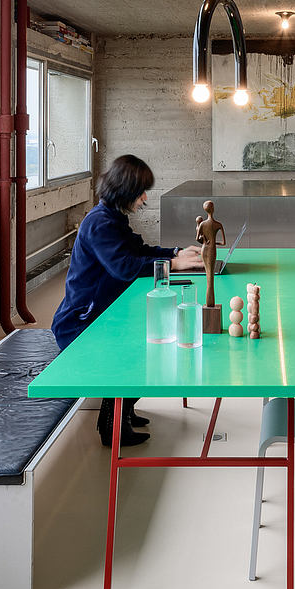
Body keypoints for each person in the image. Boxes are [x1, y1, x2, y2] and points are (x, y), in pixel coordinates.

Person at [51, 154, 203, 447]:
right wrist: (174, 264)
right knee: (144, 348)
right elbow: (125, 267)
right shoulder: (99, 223)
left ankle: (126, 410)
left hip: (102, 315)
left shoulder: (112, 217)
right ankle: (111, 425)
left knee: (150, 339)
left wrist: (176, 252)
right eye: (141, 190)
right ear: (125, 189)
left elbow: (139, 250)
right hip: (81, 324)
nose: (145, 197)